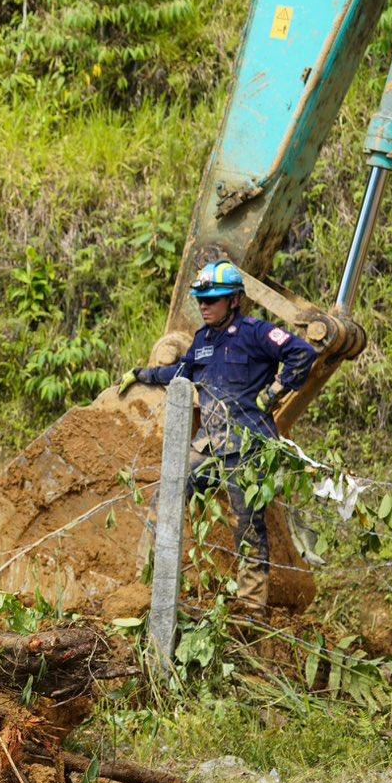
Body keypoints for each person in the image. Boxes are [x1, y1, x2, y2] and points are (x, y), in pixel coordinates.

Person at [122, 259, 318, 614]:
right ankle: (146, 581)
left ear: (235, 301)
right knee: (167, 495)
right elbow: (180, 372)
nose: (204, 305)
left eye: (213, 299)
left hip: (247, 444)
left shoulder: (257, 334)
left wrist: (274, 392)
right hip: (209, 444)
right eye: (201, 299)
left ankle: (251, 603)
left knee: (248, 523)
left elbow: (302, 354)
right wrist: (142, 374)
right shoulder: (203, 340)